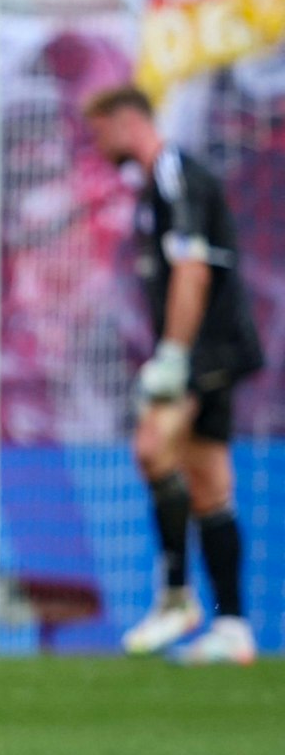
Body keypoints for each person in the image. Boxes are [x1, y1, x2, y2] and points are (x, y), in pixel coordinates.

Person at [83, 86, 263, 666]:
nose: (97, 143)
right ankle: (233, 626)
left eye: (99, 130)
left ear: (125, 121)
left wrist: (175, 354)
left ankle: (176, 597)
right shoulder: (160, 182)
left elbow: (192, 269)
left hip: (206, 348)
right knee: (210, 483)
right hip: (219, 347)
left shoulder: (172, 173)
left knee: (152, 448)